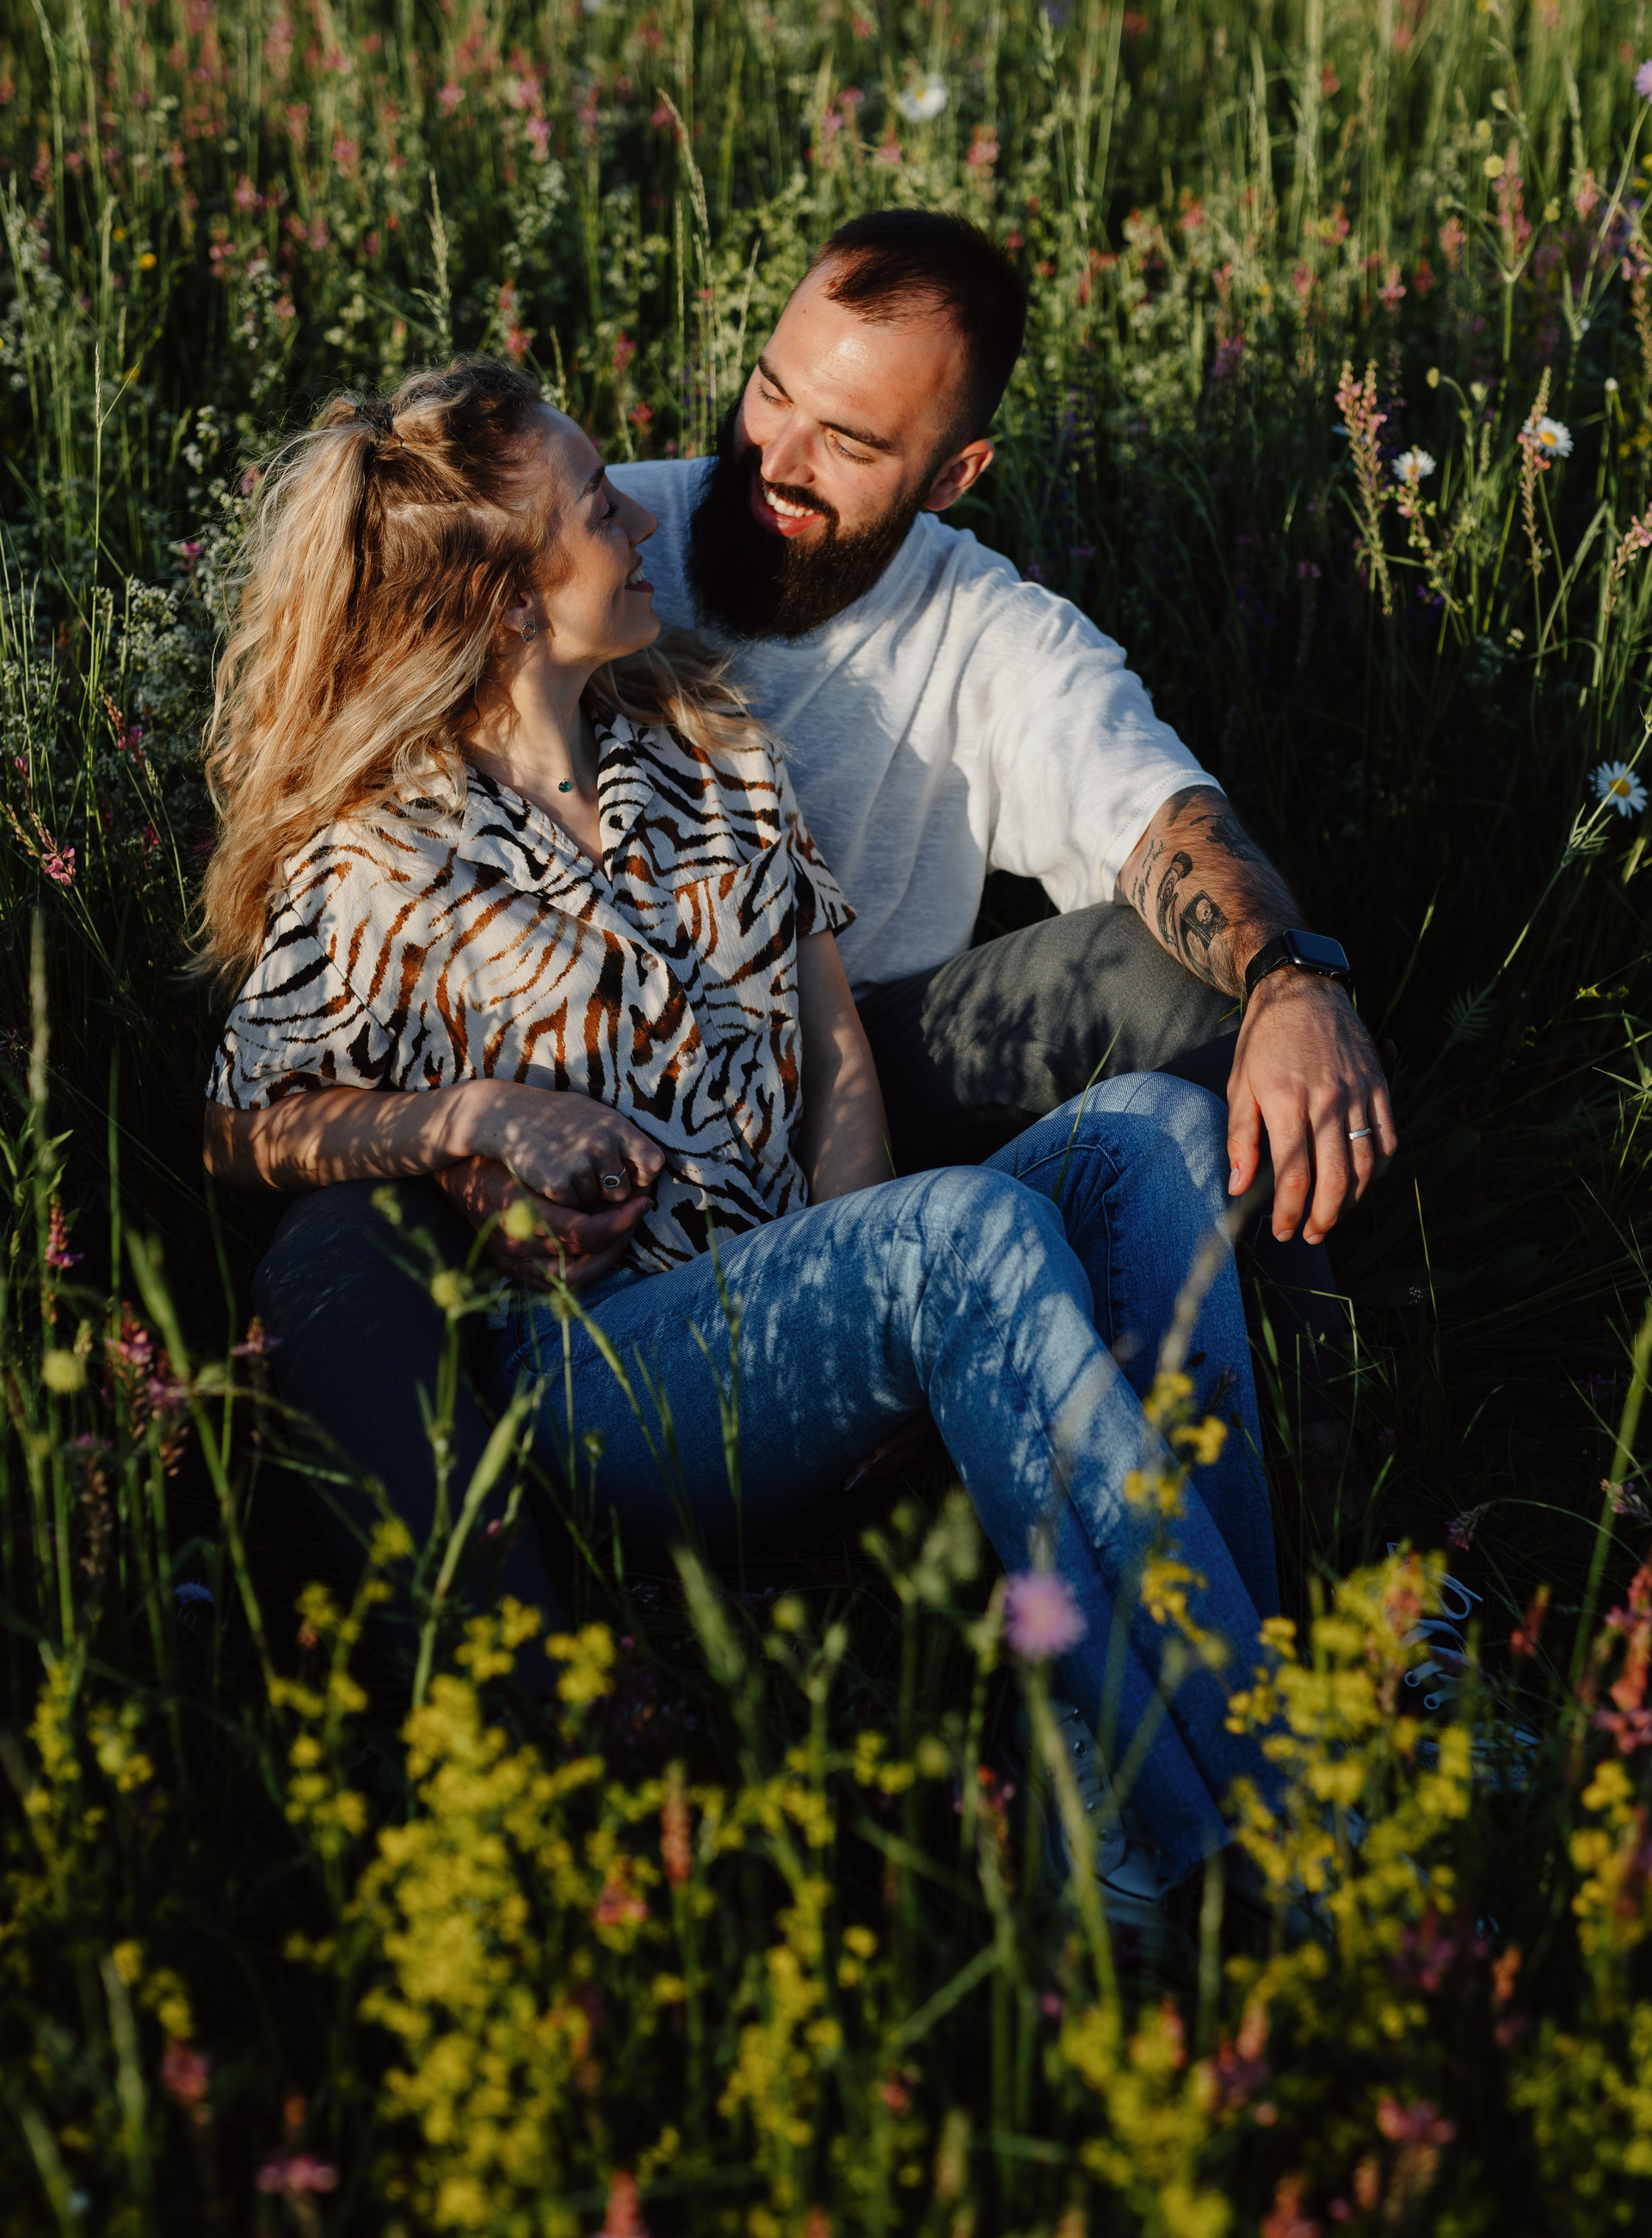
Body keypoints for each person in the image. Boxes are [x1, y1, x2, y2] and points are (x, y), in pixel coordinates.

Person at [202, 356, 1285, 1895]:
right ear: (505, 604)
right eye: (597, 508)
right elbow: (246, 1120)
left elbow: (833, 1045)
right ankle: (1263, 1820)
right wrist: (470, 1115)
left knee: (1152, 1140)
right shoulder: (380, 858)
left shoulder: (703, 740)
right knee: (970, 1231)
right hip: (608, 1368)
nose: (641, 523)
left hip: (798, 1289)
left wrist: (866, 1274)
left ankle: (1175, 1752)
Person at [243, 211, 1395, 1568]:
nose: (776, 460)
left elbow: (1160, 821)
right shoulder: (585, 535)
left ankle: (1328, 1540)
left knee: (1183, 1011)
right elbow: (363, 745)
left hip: (860, 1062)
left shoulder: (979, 641)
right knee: (331, 1244)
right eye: (770, 391)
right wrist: (465, 1142)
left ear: (952, 474)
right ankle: (493, 1638)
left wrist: (1293, 979)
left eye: (848, 442)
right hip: (573, 1155)